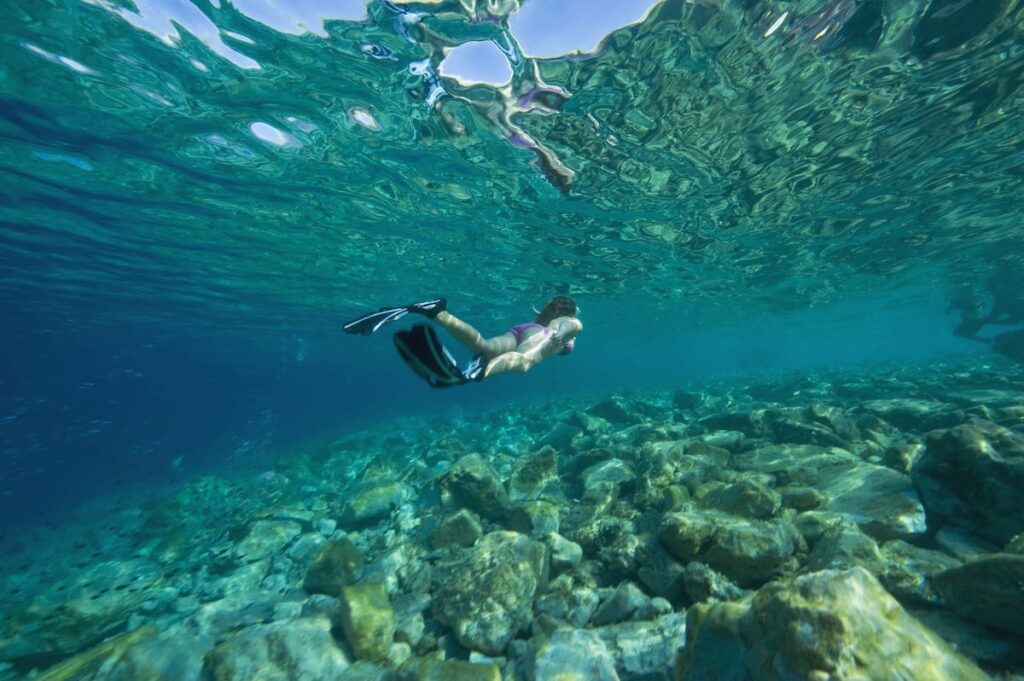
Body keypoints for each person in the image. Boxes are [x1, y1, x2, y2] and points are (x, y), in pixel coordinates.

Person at [343, 296, 583, 387]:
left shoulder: (537, 322)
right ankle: (476, 374)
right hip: (541, 337)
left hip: (525, 329)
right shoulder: (567, 321)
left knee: (485, 347)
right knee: (524, 362)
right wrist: (562, 331)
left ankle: (438, 312)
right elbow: (574, 326)